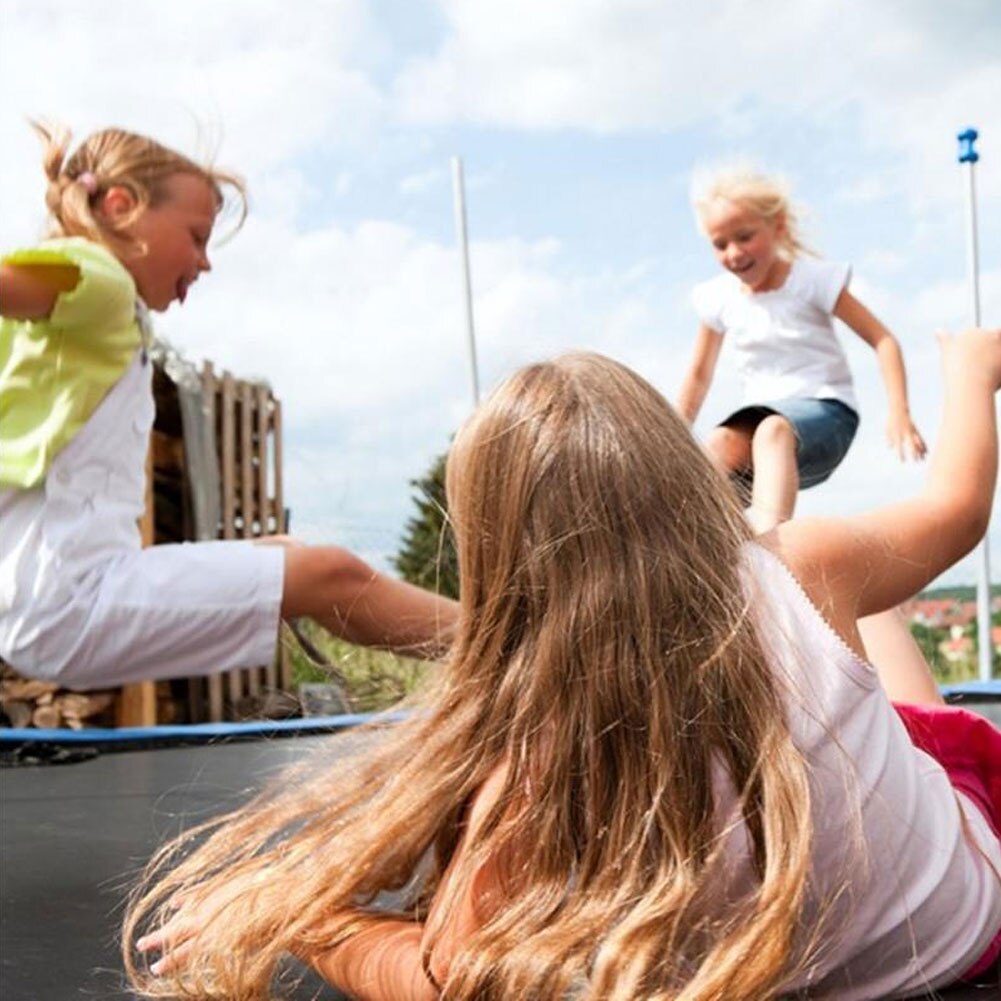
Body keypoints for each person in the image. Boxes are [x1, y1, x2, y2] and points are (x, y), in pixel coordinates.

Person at [126, 331, 1000, 1000]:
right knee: (882, 656)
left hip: (887, 909)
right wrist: (971, 371)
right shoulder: (803, 568)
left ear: (496, 553)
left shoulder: (533, 765)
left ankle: (801, 527)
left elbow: (446, 979)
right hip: (969, 912)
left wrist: (305, 916)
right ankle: (785, 505)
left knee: (901, 702)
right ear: (681, 481)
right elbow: (956, 508)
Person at [0, 122, 456, 689]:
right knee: (331, 573)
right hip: (72, 604)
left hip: (66, 595)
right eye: (195, 236)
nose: (205, 261)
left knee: (289, 551)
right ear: (121, 207)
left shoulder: (87, 325)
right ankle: (512, 651)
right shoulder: (101, 282)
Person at [677, 164, 927, 534]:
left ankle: (773, 555)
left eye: (744, 237)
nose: (734, 253)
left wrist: (900, 412)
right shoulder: (719, 299)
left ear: (777, 227)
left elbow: (883, 339)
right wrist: (672, 436)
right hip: (760, 424)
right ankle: (710, 545)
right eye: (720, 244)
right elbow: (699, 375)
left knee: (773, 430)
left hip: (827, 414)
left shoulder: (812, 281)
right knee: (716, 446)